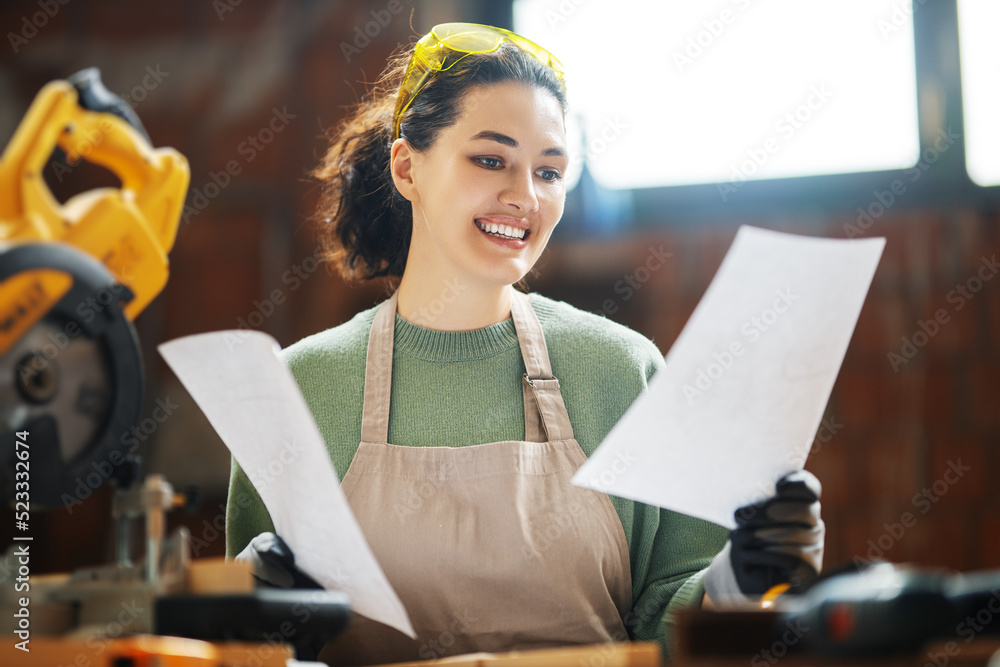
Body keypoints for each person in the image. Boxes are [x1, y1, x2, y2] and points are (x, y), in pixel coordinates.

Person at [225, 22, 825, 665]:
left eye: (550, 170)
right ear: (406, 167)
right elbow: (249, 652)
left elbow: (671, 626)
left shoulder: (622, 370)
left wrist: (741, 579)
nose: (525, 197)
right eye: (491, 160)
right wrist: (247, 616)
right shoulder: (299, 390)